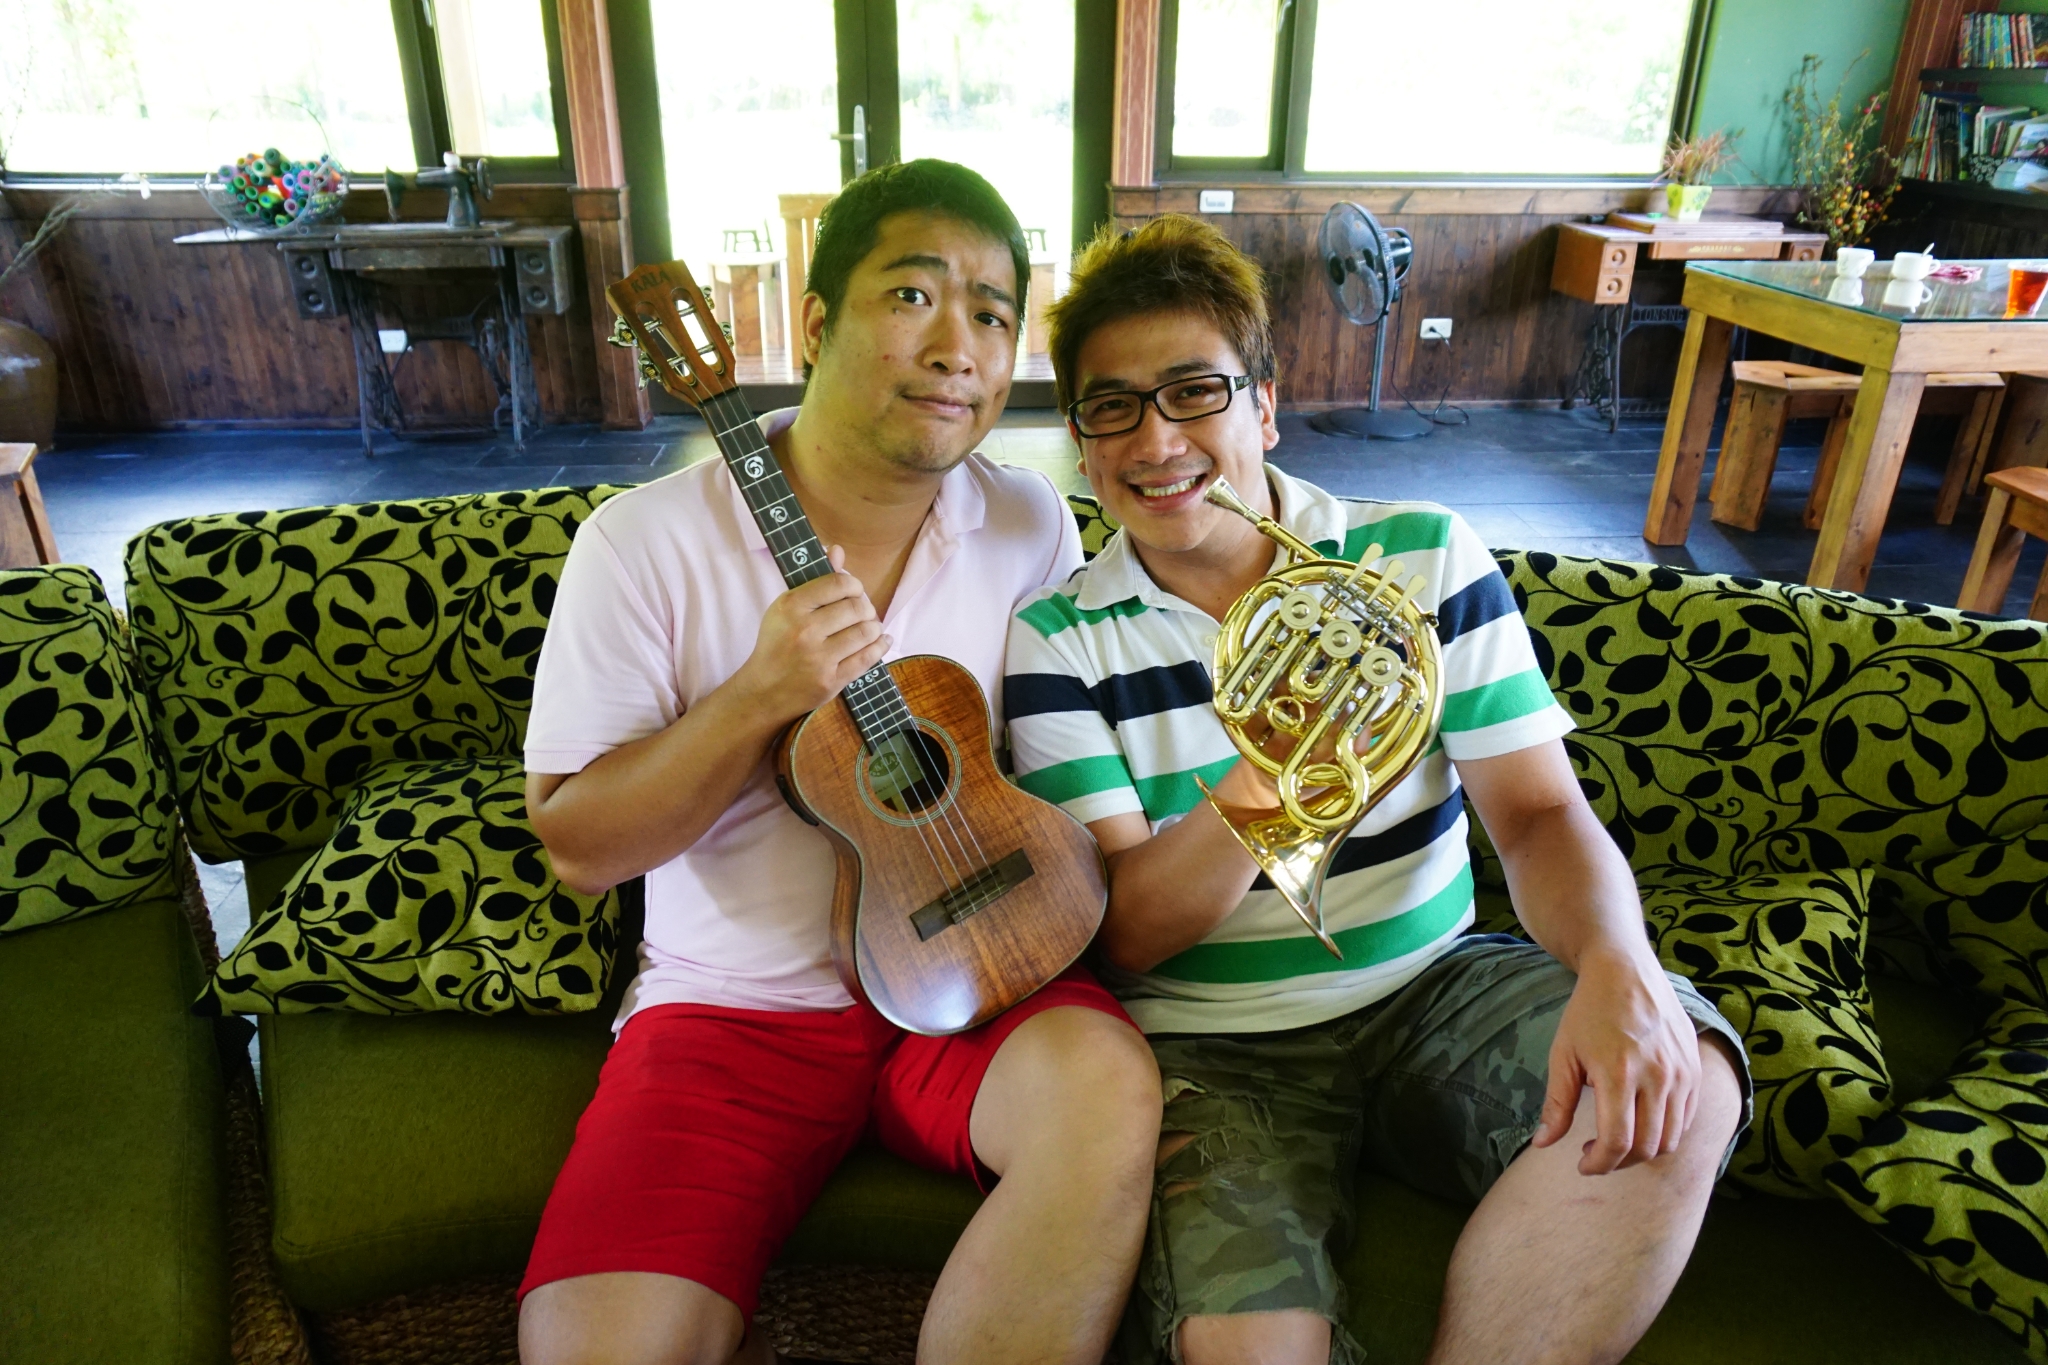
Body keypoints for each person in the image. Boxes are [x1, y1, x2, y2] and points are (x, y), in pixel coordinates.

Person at [1004, 214, 1752, 1365]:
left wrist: (1616, 962)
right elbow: (1128, 935)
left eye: (1194, 392)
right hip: (1210, 1051)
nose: (1155, 440)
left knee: (1679, 1084)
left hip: (1431, 989)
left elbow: (1538, 815)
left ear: (1262, 405)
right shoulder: (1055, 637)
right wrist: (1271, 766)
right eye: (1112, 407)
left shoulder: (1417, 554)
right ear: (1079, 438)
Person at [516, 160, 1161, 1365]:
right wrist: (758, 697)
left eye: (991, 314)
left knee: (1108, 1092)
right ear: (814, 324)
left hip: (977, 972)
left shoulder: (1029, 523)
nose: (956, 346)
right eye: (912, 295)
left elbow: (1060, 757)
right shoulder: (641, 543)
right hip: (731, 1011)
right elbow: (579, 852)